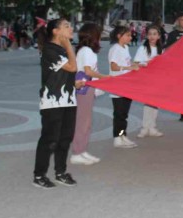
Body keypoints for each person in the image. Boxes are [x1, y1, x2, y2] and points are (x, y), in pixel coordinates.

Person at [33, 18, 81, 189]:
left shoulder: (60, 50)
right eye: (66, 26)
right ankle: (39, 175)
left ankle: (60, 172)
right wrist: (69, 45)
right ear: (55, 31)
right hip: (52, 102)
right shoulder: (50, 50)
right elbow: (72, 67)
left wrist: (74, 84)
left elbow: (65, 75)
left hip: (68, 99)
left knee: (65, 138)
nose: (71, 29)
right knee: (50, 139)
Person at [70, 23, 107, 165]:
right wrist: (106, 78)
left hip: (87, 88)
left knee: (86, 121)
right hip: (84, 88)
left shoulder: (87, 51)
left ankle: (82, 150)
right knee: (82, 121)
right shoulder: (86, 51)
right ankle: (77, 152)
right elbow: (88, 72)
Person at [107, 25, 139, 149]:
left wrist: (139, 64)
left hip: (127, 86)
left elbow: (128, 62)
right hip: (117, 87)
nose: (130, 37)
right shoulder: (115, 49)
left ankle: (122, 135)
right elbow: (114, 67)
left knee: (124, 114)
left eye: (130, 35)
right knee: (119, 114)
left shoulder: (125, 47)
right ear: (119, 36)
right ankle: (117, 137)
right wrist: (129, 68)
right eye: (128, 35)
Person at [134, 25, 165, 138]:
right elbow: (136, 63)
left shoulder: (161, 50)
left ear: (159, 36)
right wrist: (148, 62)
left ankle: (152, 127)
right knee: (147, 104)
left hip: (158, 80)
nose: (152, 36)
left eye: (154, 34)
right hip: (146, 80)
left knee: (155, 104)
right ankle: (144, 128)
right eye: (150, 34)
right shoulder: (142, 49)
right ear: (146, 36)